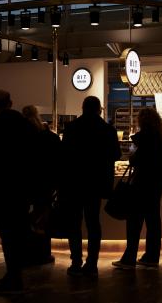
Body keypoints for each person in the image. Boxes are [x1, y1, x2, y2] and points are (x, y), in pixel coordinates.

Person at [0, 90, 36, 295]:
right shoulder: (25, 126)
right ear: (11, 103)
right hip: (21, 188)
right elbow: (33, 158)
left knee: (7, 233)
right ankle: (15, 274)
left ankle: (13, 276)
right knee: (18, 231)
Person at [61, 96, 121, 277]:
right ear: (99, 109)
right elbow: (116, 155)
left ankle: (75, 262)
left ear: (83, 107)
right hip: (96, 183)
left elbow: (64, 156)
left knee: (74, 223)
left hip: (75, 182)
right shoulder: (108, 130)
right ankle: (92, 263)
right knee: (93, 223)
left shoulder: (72, 128)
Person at [112, 108, 162, 270]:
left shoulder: (144, 138)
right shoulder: (161, 139)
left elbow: (135, 160)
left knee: (134, 221)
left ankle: (129, 258)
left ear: (142, 121)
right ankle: (152, 256)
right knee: (153, 221)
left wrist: (133, 153)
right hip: (156, 185)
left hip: (142, 183)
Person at [22, 105, 61, 266]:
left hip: (24, 182)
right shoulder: (49, 136)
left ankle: (26, 252)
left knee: (23, 215)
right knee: (43, 216)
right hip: (46, 183)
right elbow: (59, 160)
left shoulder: (20, 136)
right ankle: (43, 253)